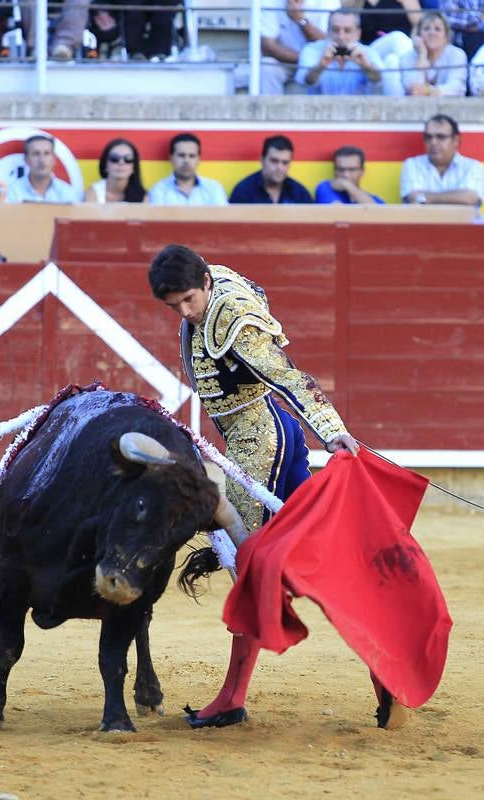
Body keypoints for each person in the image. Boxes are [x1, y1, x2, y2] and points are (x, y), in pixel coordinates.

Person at [148, 244, 364, 729]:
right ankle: (380, 667)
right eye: (173, 307)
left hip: (261, 447)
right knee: (310, 557)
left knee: (250, 568)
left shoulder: (233, 318)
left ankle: (232, 698)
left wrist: (331, 429)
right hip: (265, 439)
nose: (184, 313)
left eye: (187, 300)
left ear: (205, 282)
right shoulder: (210, 281)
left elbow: (287, 377)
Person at [400, 114, 484, 207]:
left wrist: (426, 198)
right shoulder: (412, 165)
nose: (433, 142)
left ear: (456, 140)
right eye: (428, 137)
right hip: (423, 221)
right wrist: (457, 198)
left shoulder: (473, 166)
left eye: (440, 137)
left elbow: (470, 198)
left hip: (461, 222)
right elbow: (414, 199)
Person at [295, 9, 384, 94]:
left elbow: (380, 80)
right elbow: (304, 80)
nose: (341, 36)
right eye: (335, 30)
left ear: (358, 33)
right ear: (328, 31)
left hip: (357, 109)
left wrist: (366, 66)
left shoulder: (367, 52)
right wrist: (320, 66)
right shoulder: (312, 49)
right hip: (319, 109)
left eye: (347, 30)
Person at [260, 0, 331, 95]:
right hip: (285, 62)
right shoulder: (270, 2)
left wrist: (301, 20)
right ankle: (268, 109)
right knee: (267, 66)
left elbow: (328, 42)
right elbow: (268, 46)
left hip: (317, 62)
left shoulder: (328, 2)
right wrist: (304, 58)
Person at [397, 11, 468, 96]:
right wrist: (422, 55)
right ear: (418, 34)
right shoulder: (407, 57)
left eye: (437, 29)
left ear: (446, 36)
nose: (432, 33)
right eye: (426, 28)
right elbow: (413, 89)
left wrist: (428, 91)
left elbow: (457, 88)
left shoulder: (457, 54)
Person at [148, 133, 228, 206]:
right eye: (181, 155)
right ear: (171, 158)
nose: (186, 161)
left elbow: (222, 219)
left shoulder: (214, 188)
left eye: (192, 156)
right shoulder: (159, 190)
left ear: (198, 159)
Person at [229, 135, 313, 204]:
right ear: (262, 161)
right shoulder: (244, 191)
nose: (279, 168)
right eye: (274, 161)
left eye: (285, 162)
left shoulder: (299, 193)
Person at [6, 135, 80, 204]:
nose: (42, 160)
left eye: (47, 153)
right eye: (36, 154)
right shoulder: (12, 192)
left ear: (54, 159)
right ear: (26, 159)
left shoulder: (67, 193)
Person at [315, 145, 385, 204]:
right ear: (334, 171)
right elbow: (337, 214)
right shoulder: (325, 188)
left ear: (362, 171)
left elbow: (377, 212)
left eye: (352, 170)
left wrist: (348, 186)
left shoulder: (376, 200)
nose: (346, 175)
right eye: (341, 169)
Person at [84, 139, 147, 203]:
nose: (121, 162)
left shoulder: (142, 196)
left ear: (134, 167)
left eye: (128, 159)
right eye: (114, 158)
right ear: (105, 165)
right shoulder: (93, 192)